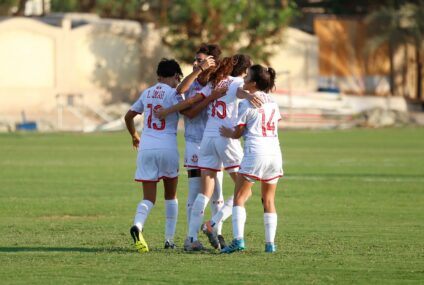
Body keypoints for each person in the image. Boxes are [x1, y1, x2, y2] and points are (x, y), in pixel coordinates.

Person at [219, 64, 283, 254]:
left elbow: (238, 133)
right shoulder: (272, 101)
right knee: (269, 200)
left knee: (239, 198)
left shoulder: (247, 104)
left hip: (256, 152)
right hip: (275, 153)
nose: (244, 80)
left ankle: (238, 240)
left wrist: (228, 132)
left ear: (254, 83)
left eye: (247, 78)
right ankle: (270, 245)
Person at [124, 58, 184, 253]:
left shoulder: (147, 92)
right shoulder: (175, 93)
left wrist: (134, 135)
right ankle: (169, 239)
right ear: (176, 76)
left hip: (146, 148)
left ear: (158, 75)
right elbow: (188, 111)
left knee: (149, 197)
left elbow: (129, 116)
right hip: (167, 147)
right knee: (171, 195)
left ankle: (138, 225)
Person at [174, 43, 228, 249]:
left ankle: (218, 234)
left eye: (201, 59)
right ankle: (192, 238)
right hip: (194, 142)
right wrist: (198, 70)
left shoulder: (218, 83)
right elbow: (183, 96)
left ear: (212, 62)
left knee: (218, 192)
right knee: (195, 191)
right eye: (196, 60)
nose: (196, 63)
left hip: (215, 143)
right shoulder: (194, 82)